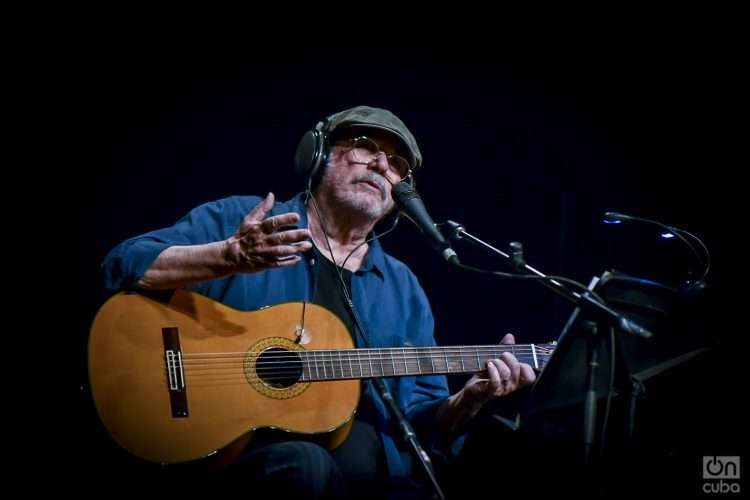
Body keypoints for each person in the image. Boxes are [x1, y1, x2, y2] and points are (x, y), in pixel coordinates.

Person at [101, 105, 536, 499]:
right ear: (318, 155)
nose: (382, 164)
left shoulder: (404, 289)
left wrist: (469, 401)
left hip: (367, 481)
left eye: (396, 162)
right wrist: (226, 256)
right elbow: (124, 263)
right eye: (365, 146)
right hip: (222, 458)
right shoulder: (243, 221)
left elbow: (421, 420)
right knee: (307, 465)